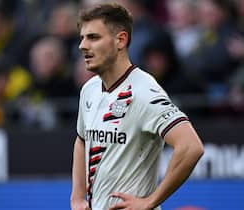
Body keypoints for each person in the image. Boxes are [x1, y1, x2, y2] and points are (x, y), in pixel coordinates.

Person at [70, 3, 204, 210]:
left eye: (93, 37)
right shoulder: (90, 88)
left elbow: (191, 147)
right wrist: (77, 197)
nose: (83, 46)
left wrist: (150, 201)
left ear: (120, 40)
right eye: (82, 38)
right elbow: (81, 141)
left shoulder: (145, 92)